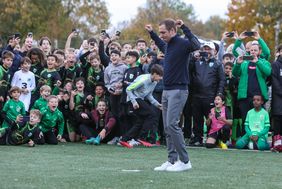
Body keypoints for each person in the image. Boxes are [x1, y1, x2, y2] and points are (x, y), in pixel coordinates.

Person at [146, 18, 200, 172]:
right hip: (167, 90)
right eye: (160, 32)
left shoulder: (182, 43)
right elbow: (160, 44)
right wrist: (152, 33)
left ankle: (185, 161)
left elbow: (197, 45)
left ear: (172, 31)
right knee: (167, 128)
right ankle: (171, 160)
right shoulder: (168, 45)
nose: (161, 35)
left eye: (164, 32)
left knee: (172, 125)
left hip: (178, 90)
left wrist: (185, 27)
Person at [189, 42, 225, 146]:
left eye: (209, 49)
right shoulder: (196, 62)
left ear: (214, 51)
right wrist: (193, 58)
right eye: (205, 49)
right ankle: (197, 138)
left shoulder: (218, 64)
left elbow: (222, 80)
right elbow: (188, 71)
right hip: (196, 95)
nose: (207, 51)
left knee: (211, 118)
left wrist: (219, 94)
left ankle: (212, 137)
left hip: (210, 96)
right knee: (197, 119)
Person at [118, 64, 163, 148]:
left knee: (140, 121)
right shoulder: (144, 80)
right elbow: (128, 89)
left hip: (139, 100)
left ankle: (124, 139)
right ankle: (142, 138)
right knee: (152, 115)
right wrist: (134, 101)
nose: (161, 78)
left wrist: (157, 105)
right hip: (133, 99)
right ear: (154, 74)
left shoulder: (154, 82)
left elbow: (149, 95)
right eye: (160, 76)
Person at [232, 43, 271, 135]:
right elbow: (235, 73)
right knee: (245, 119)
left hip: (258, 97)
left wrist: (257, 61)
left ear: (259, 52)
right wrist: (237, 64)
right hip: (245, 97)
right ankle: (245, 140)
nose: (253, 52)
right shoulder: (244, 61)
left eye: (255, 50)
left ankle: (258, 138)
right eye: (251, 50)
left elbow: (268, 72)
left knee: (257, 120)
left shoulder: (263, 61)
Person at [271, 44, 282, 151]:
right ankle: (277, 144)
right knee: (278, 120)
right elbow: (274, 81)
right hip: (278, 99)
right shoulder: (275, 65)